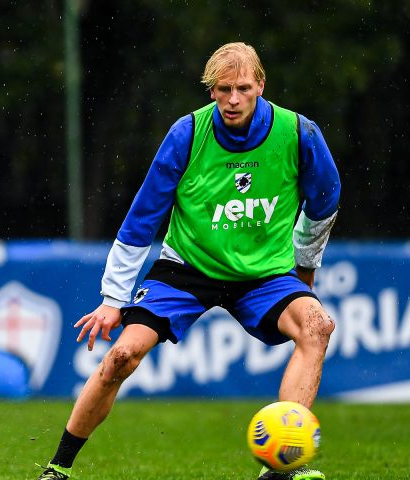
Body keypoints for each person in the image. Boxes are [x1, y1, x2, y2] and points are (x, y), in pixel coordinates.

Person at [36, 42, 339, 480]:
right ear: (210, 90)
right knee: (122, 354)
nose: (233, 99)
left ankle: (282, 468)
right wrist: (112, 299)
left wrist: (305, 267)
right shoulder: (187, 134)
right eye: (223, 89)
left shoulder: (298, 133)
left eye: (243, 88)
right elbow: (143, 218)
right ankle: (59, 467)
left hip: (264, 274)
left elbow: (325, 200)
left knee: (317, 326)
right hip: (186, 271)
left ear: (261, 86)